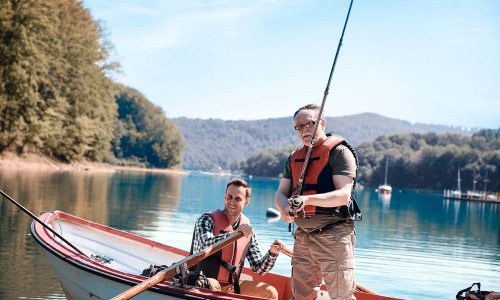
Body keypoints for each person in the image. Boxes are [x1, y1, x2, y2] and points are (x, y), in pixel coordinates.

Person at [274, 104, 362, 300]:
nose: (305, 130)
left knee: (342, 296)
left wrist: (307, 200)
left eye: (310, 124)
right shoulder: (294, 157)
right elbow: (280, 193)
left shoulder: (339, 152)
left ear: (322, 123)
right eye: (299, 126)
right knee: (301, 296)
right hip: (303, 236)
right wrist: (284, 208)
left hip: (334, 235)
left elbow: (343, 195)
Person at [191, 178, 286, 299]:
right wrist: (233, 234)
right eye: (229, 197)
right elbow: (206, 244)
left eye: (238, 199)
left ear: (247, 202)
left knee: (270, 292)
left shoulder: (247, 229)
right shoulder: (206, 220)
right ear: (224, 197)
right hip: (202, 281)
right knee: (214, 287)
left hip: (231, 286)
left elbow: (259, 268)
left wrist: (272, 253)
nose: (232, 202)